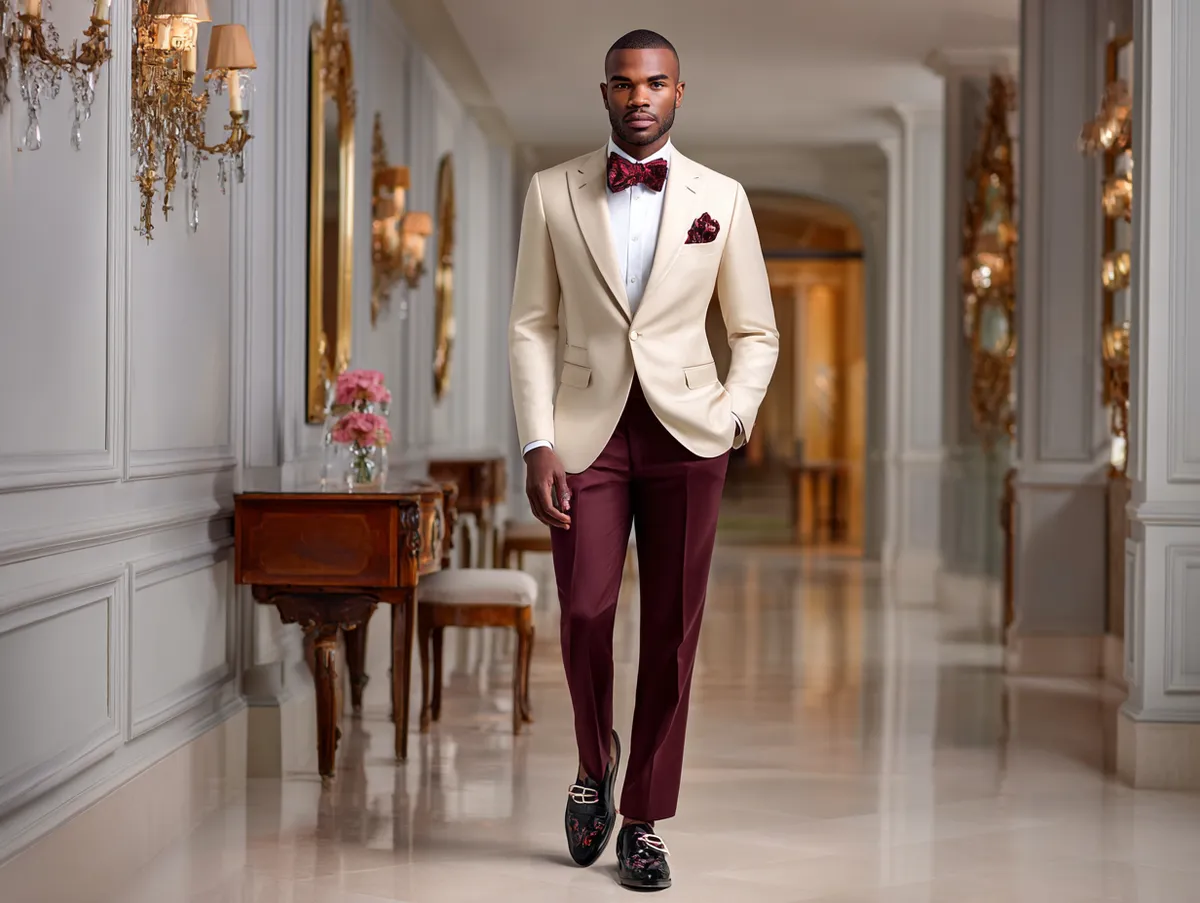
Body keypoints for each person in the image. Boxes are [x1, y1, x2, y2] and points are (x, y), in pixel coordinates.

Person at [508, 28, 779, 891]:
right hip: (584, 434)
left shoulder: (721, 198)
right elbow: (531, 325)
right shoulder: (551, 191)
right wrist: (537, 438)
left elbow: (755, 330)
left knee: (671, 631)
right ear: (605, 94)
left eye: (655, 83)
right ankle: (595, 761)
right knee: (585, 611)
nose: (640, 97)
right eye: (625, 84)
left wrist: (733, 416)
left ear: (678, 93)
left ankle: (645, 819)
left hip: (687, 436)